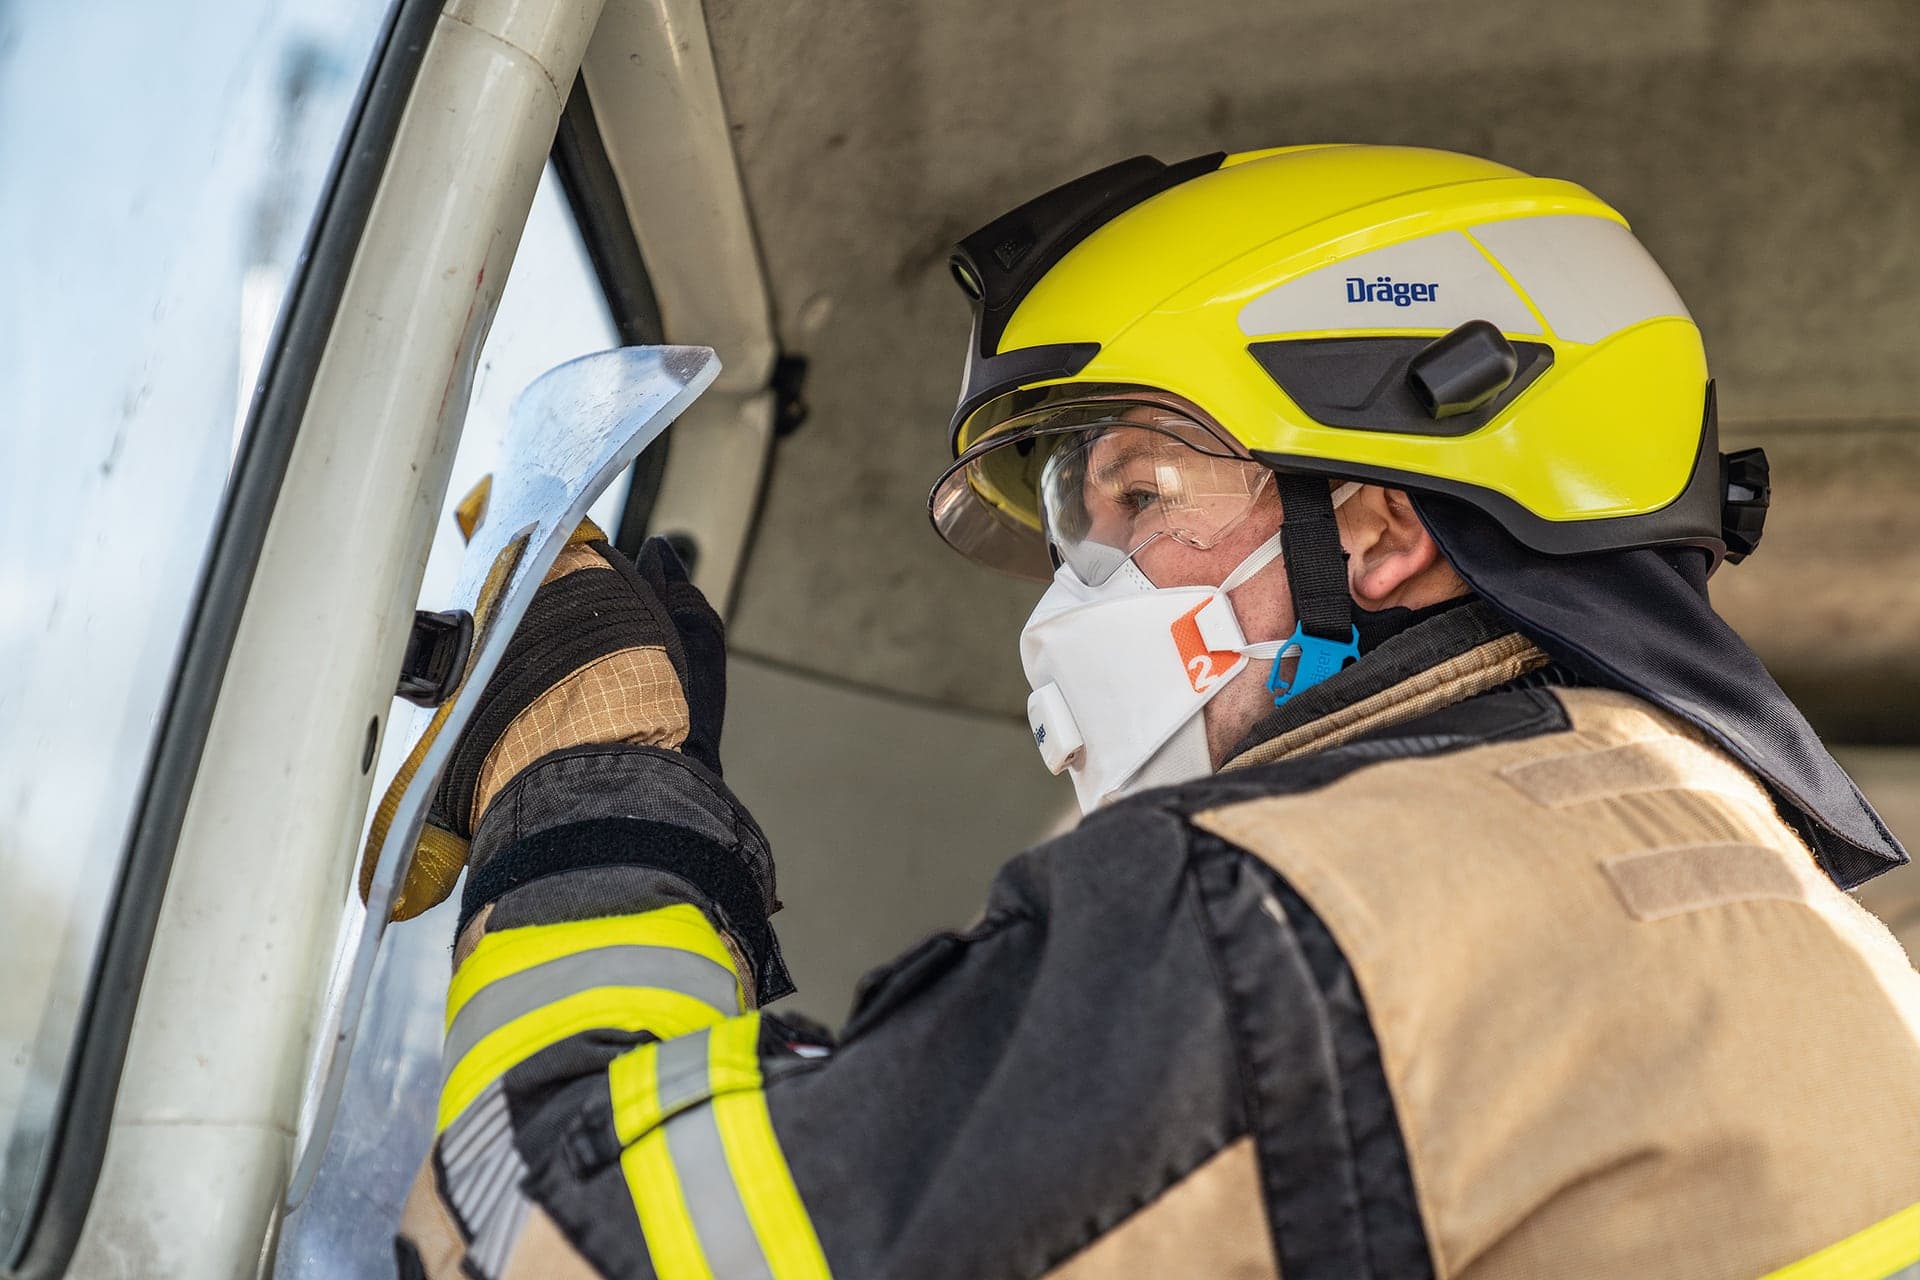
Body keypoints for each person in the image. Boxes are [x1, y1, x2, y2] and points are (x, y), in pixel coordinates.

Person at [389, 145, 1920, 1279]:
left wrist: (597, 775)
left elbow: (539, 1222)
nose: (1075, 593)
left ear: (1379, 532)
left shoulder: (1306, 907)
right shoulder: (1733, 876)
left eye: (1140, 496)